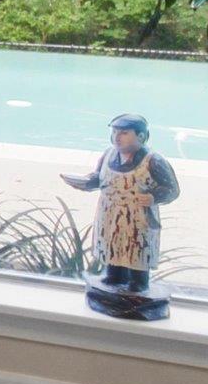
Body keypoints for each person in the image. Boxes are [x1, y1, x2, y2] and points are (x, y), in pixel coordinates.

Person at [65, 112, 180, 319]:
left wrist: (153, 197)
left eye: (124, 133)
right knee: (113, 245)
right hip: (110, 214)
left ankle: (138, 283)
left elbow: (172, 189)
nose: (117, 137)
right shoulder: (108, 155)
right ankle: (114, 276)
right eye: (115, 132)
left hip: (138, 217)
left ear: (142, 136)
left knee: (137, 248)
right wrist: (83, 182)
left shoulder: (154, 161)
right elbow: (98, 178)